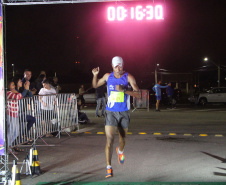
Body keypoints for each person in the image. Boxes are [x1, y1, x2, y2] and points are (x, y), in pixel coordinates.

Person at [92, 56, 141, 178]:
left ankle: (120, 151)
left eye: (120, 65)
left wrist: (124, 90)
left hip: (124, 112)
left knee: (122, 139)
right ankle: (109, 167)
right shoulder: (108, 76)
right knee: (109, 140)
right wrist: (95, 75)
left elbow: (139, 94)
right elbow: (95, 85)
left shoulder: (128, 77)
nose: (118, 68)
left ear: (123, 65)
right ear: (112, 66)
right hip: (110, 112)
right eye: (116, 66)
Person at [7, 80, 23, 153]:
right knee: (11, 131)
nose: (14, 86)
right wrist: (17, 91)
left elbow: (19, 95)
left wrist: (17, 91)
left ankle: (8, 145)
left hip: (15, 113)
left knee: (16, 132)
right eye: (12, 85)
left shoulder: (13, 92)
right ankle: (7, 147)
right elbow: (18, 97)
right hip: (10, 113)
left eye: (14, 85)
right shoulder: (8, 93)